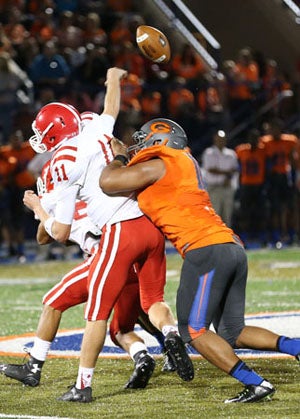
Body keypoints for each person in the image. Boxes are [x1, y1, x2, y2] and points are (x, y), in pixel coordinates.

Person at [20, 68, 193, 402]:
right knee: (153, 301)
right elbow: (110, 109)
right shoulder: (96, 130)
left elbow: (58, 232)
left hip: (118, 232)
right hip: (150, 225)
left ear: (54, 136)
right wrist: (113, 78)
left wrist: (39, 208)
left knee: (97, 315)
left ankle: (82, 386)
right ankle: (170, 333)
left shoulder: (63, 162)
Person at [100, 117, 300, 403]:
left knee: (193, 330)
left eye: (143, 139)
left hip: (206, 250)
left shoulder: (161, 163)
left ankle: (256, 383)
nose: (138, 145)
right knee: (233, 332)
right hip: (229, 246)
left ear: (159, 140)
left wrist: (119, 155)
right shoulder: (181, 162)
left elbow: (108, 182)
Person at [0, 160, 174, 390]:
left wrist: (41, 209)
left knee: (53, 302)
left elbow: (45, 237)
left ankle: (34, 367)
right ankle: (149, 354)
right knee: (128, 323)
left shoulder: (65, 202)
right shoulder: (101, 191)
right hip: (134, 260)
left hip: (105, 259)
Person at [235, 128, 267, 246]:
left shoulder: (263, 150)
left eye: (256, 138)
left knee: (261, 213)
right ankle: (244, 238)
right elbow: (238, 168)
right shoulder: (241, 150)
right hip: (246, 185)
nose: (253, 141)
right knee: (245, 214)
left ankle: (263, 237)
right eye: (252, 138)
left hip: (259, 185)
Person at [201, 130, 239, 227]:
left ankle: (227, 240)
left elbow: (235, 169)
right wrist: (227, 173)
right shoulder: (209, 152)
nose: (220, 141)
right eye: (219, 139)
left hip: (227, 187)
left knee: (227, 215)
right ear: (215, 139)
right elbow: (210, 169)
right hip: (214, 187)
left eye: (222, 139)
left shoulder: (231, 154)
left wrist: (228, 177)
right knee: (214, 215)